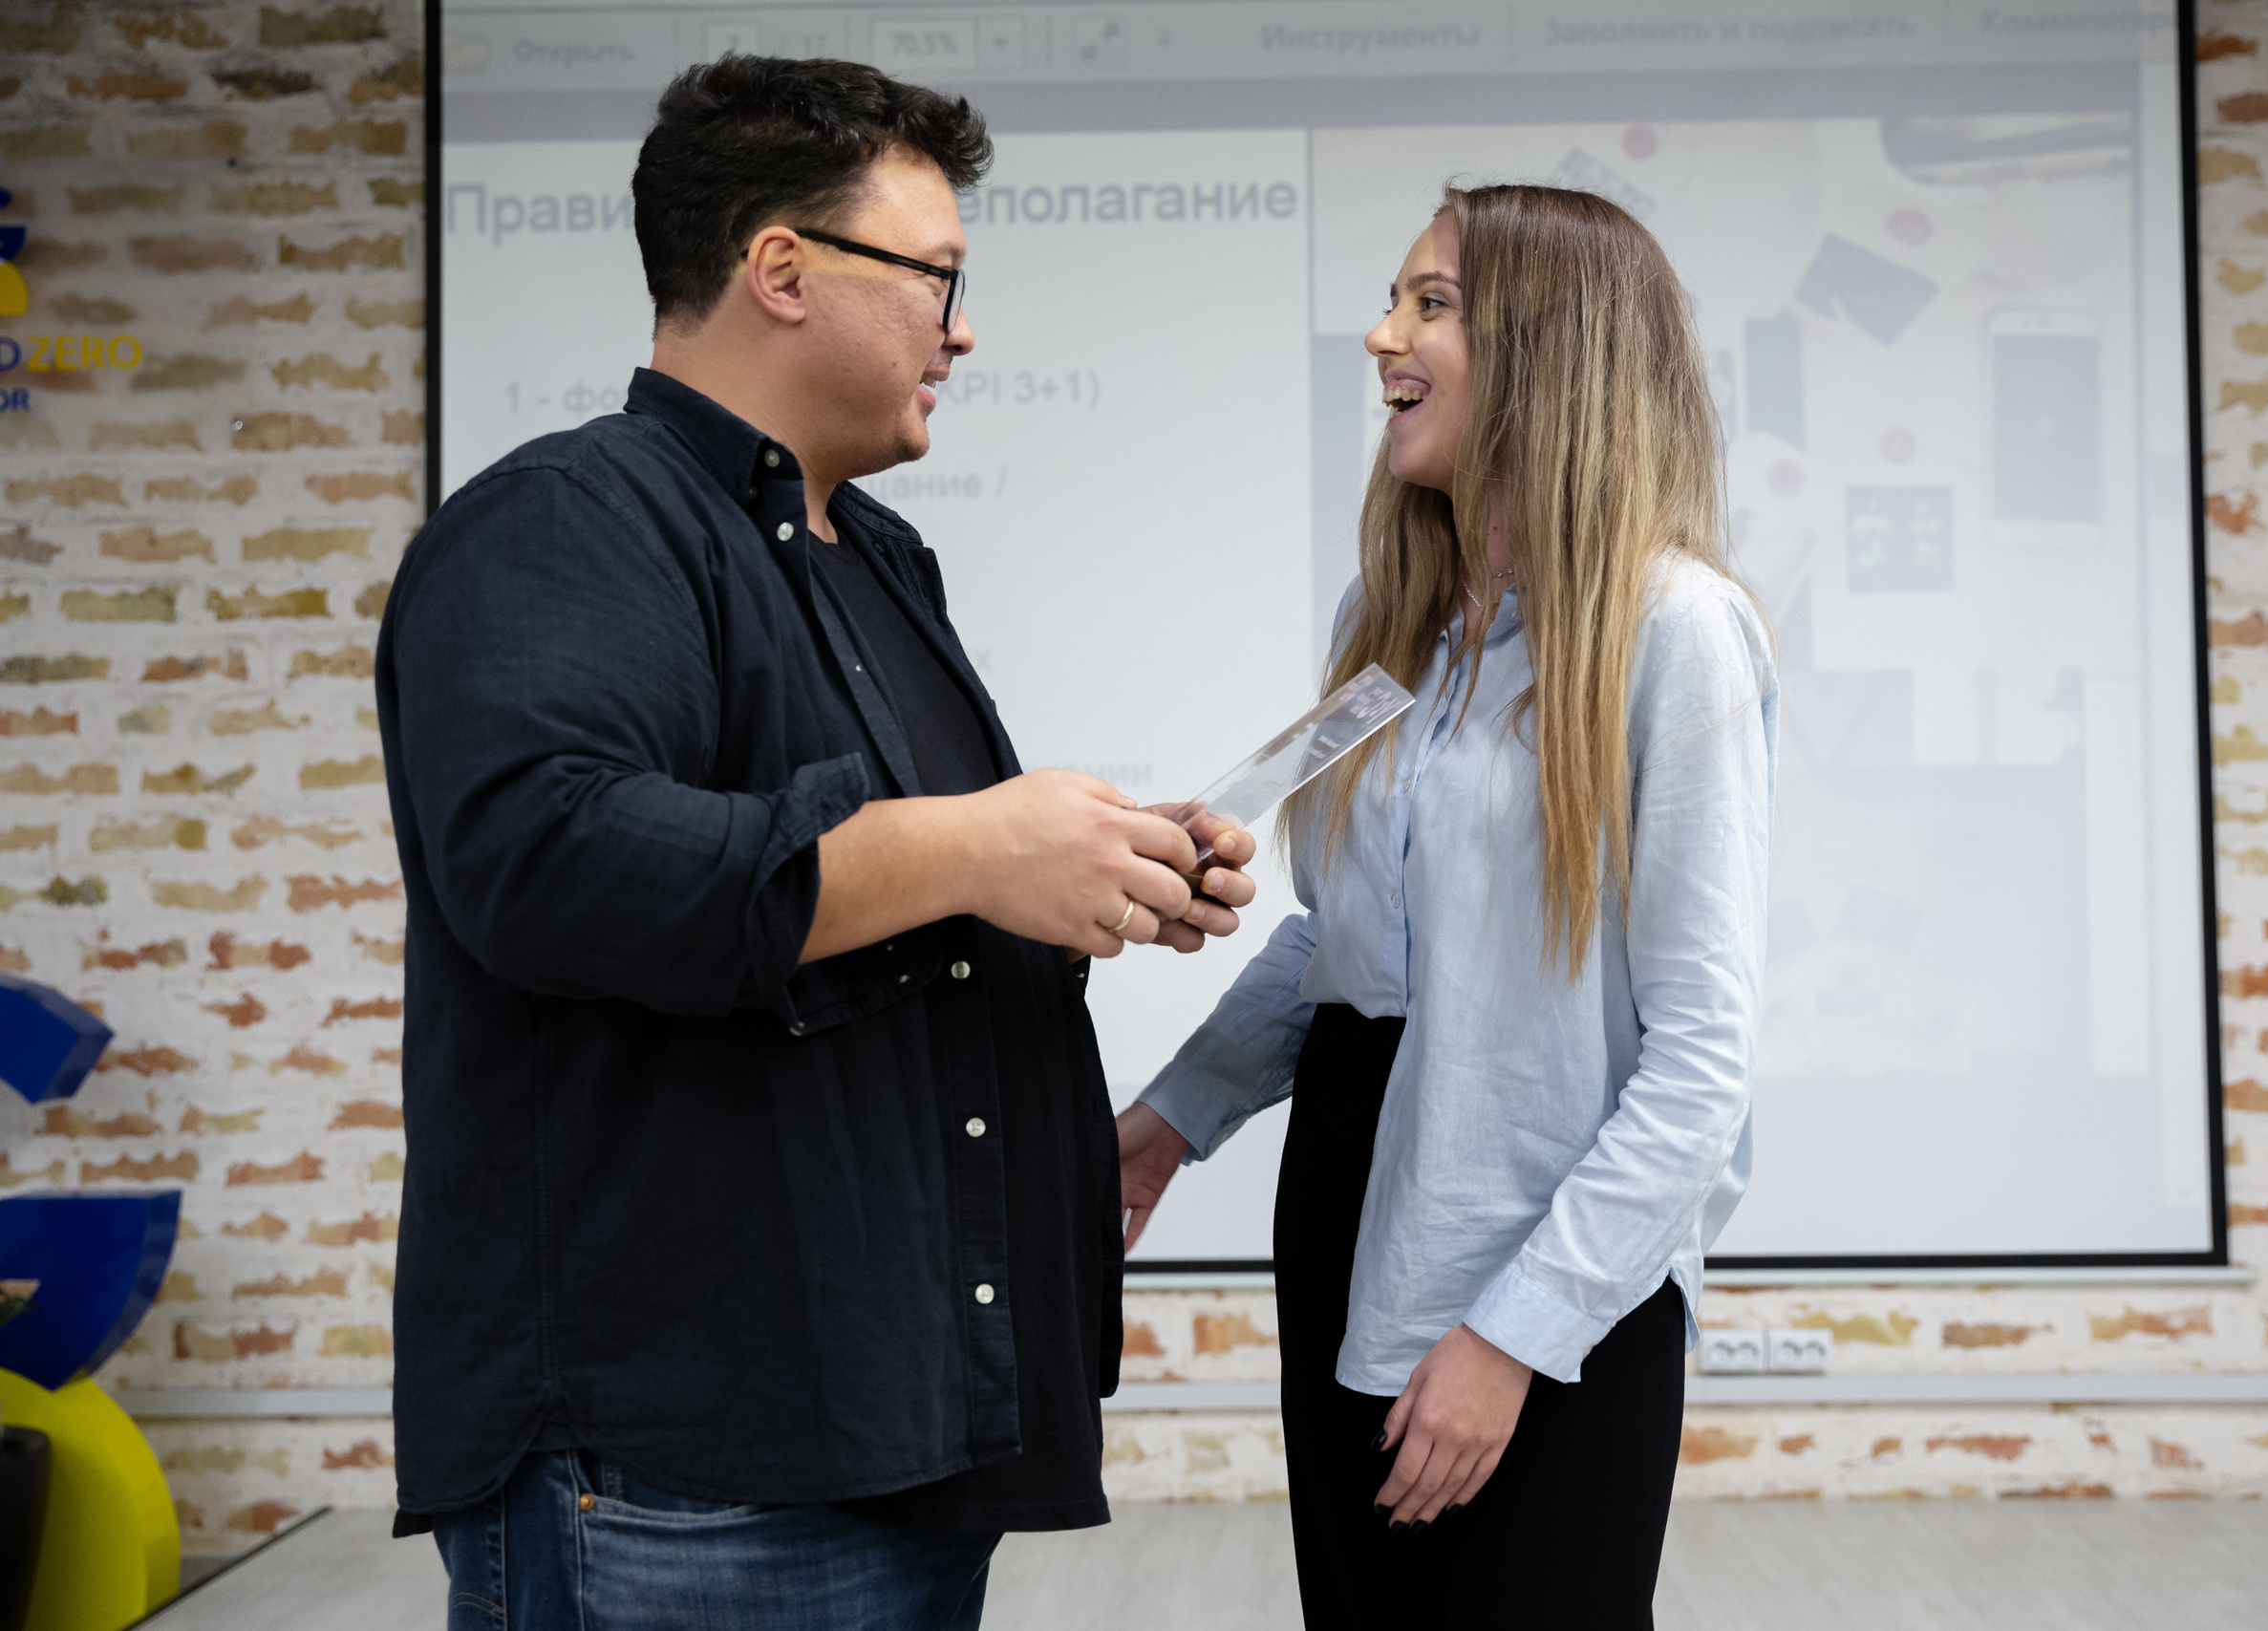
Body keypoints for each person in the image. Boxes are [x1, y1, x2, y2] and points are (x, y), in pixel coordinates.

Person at [375, 56, 1257, 1631]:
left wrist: (1080, 870)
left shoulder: (876, 557)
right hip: (679, 1472)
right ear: (782, 269)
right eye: (937, 278)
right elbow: (550, 861)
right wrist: (975, 852)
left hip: (888, 1431)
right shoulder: (570, 519)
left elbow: (873, 903)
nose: (962, 331)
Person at [1116, 182, 1776, 1627]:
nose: (1382, 337)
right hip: (1350, 1183)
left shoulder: (1675, 631)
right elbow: (1342, 948)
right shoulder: (1389, 622)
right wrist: (1169, 1122)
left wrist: (1514, 1335)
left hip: (1548, 1241)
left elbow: (1702, 1060)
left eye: (1432, 305)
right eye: (1391, 300)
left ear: (1550, 350)